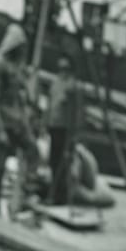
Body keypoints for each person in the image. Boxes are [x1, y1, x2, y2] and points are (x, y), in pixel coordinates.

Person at [0, 23, 39, 216]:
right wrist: (0, 129)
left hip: (18, 121)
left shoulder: (19, 67)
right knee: (0, 167)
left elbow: (21, 95)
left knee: (33, 150)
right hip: (3, 120)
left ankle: (24, 192)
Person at [45, 56, 81, 205]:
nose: (62, 72)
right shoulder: (55, 83)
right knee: (53, 161)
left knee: (64, 163)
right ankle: (55, 194)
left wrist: (74, 133)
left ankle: (62, 196)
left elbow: (77, 111)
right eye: (60, 69)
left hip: (65, 129)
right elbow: (50, 105)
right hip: (54, 127)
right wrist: (44, 122)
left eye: (65, 69)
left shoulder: (72, 86)